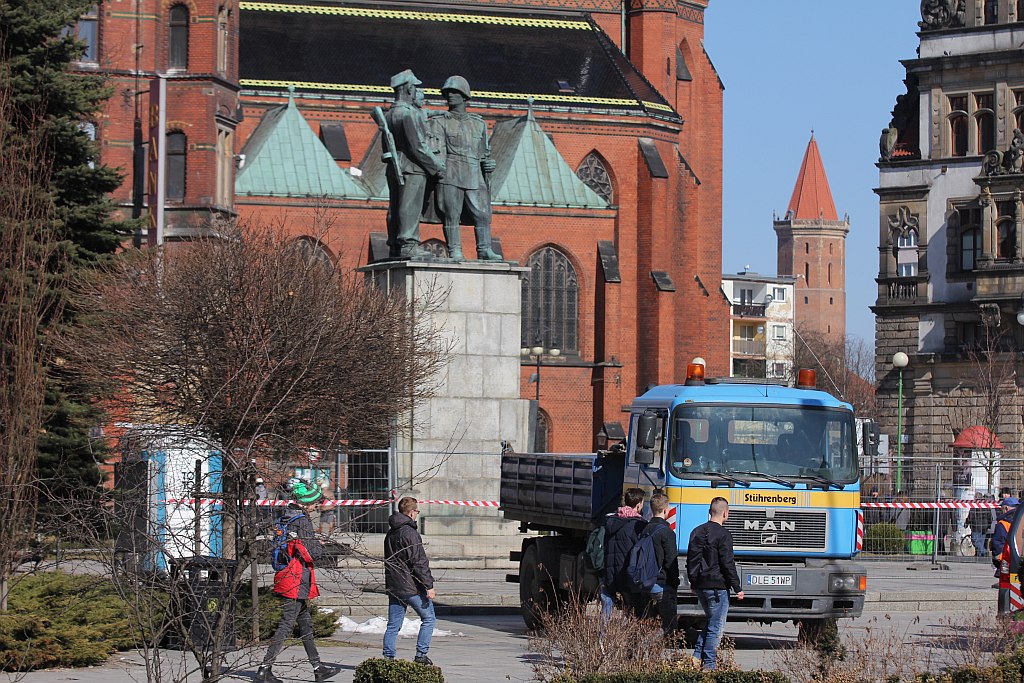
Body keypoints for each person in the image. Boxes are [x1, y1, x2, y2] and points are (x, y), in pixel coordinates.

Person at [256, 480, 338, 683]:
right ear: (306, 503)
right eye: (315, 502)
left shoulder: (285, 517)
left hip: (286, 574)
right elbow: (312, 552)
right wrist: (319, 545)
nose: (317, 505)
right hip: (296, 577)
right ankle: (264, 669)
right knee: (286, 624)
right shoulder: (302, 521)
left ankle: (318, 668)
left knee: (306, 624)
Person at [429, 75, 501, 261]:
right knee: (451, 213)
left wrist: (488, 164)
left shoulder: (478, 123)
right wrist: (440, 172)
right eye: (447, 93)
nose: (450, 95)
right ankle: (455, 250)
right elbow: (437, 150)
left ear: (464, 96)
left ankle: (484, 249)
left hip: (474, 173)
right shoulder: (439, 121)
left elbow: (483, 153)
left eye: (454, 92)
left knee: (482, 213)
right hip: (450, 172)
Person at [382, 69, 445, 260]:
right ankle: (409, 244)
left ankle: (395, 245)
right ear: (409, 88)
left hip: (395, 165)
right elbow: (418, 147)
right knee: (410, 205)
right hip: (412, 166)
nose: (416, 90)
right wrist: (437, 166)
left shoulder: (389, 113)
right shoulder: (408, 114)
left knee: (396, 205)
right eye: (415, 87)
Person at [686, 497, 744, 671]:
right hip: (718, 585)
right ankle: (709, 664)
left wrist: (693, 582)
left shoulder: (696, 531)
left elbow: (691, 560)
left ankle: (697, 656)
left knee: (711, 621)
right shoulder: (724, 535)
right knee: (716, 626)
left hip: (700, 585)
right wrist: (737, 587)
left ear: (709, 511)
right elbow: (727, 563)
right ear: (725, 513)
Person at [383, 496, 437, 665]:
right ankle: (421, 655)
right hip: (410, 586)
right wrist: (429, 585)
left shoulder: (391, 532)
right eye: (417, 511)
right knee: (429, 618)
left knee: (393, 625)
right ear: (412, 512)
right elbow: (418, 561)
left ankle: (388, 659)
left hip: (394, 584)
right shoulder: (410, 533)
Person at [600, 488, 648, 618]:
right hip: (627, 575)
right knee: (631, 610)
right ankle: (626, 631)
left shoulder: (611, 520)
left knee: (607, 608)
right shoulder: (638, 525)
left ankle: (603, 632)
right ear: (638, 504)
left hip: (610, 573)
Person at [638, 492, 679, 636]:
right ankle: (647, 645)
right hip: (662, 584)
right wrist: (675, 583)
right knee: (669, 627)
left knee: (647, 624)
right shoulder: (667, 532)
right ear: (666, 510)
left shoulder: (644, 529)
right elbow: (671, 561)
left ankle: (642, 647)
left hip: (644, 582)